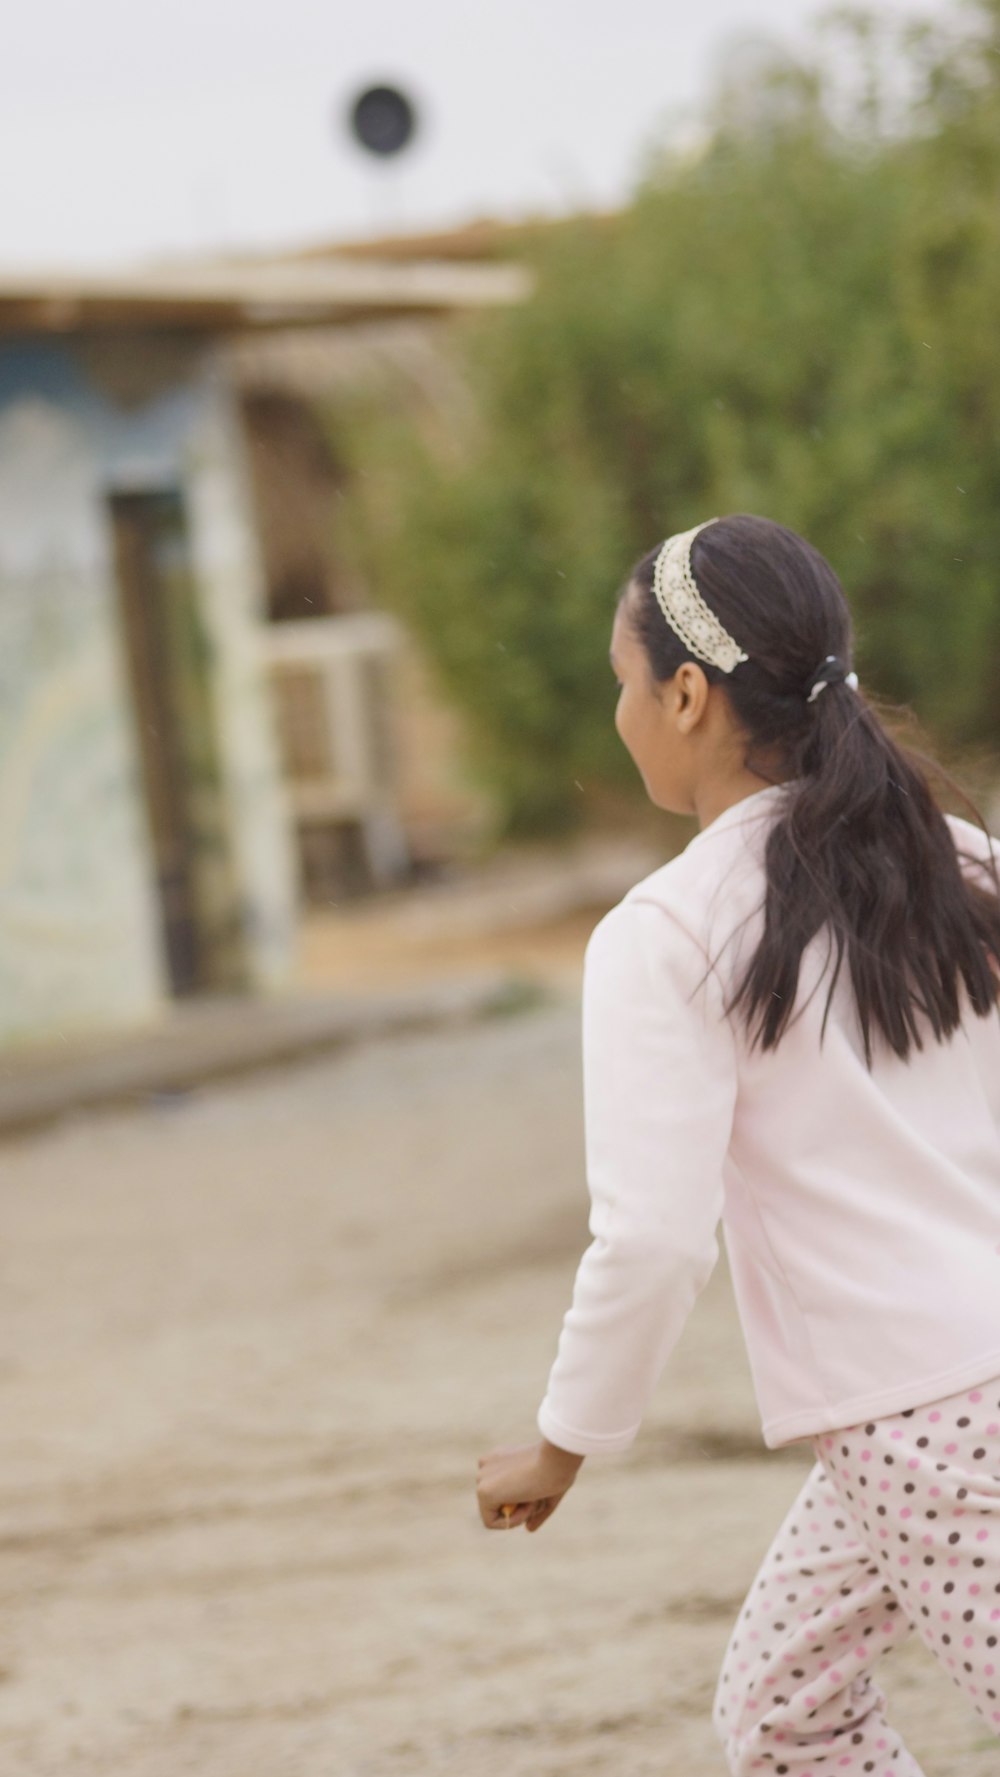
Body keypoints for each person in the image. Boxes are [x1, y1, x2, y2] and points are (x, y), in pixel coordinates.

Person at [475, 514, 1000, 1775]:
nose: (620, 716)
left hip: (927, 1423)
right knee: (785, 1715)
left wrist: (563, 1440)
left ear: (689, 693)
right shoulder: (959, 856)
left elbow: (653, 1238)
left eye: (622, 685)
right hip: (918, 1414)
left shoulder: (664, 933)